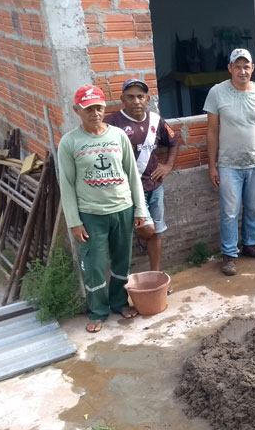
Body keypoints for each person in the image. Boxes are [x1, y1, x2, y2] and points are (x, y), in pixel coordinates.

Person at [57, 85, 148, 333]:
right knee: (94, 265)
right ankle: (98, 310)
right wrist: (74, 221)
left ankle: (119, 302)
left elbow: (132, 175)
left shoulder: (118, 136)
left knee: (122, 261)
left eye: (98, 107)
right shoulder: (70, 142)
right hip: (91, 215)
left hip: (123, 209)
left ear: (104, 107)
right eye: (88, 109)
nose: (95, 113)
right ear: (77, 110)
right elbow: (65, 184)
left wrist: (140, 210)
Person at [203, 48, 255, 276]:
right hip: (228, 164)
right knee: (229, 211)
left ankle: (251, 245)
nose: (242, 71)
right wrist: (212, 165)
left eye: (247, 66)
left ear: (252, 68)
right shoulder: (217, 93)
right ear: (230, 68)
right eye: (238, 66)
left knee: (254, 208)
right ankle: (229, 255)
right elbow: (212, 131)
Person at [104, 79, 178, 285]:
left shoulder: (156, 120)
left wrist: (168, 166)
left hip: (154, 186)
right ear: (122, 100)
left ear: (147, 99)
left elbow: (173, 141)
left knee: (157, 232)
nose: (136, 101)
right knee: (148, 229)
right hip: (128, 191)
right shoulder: (112, 123)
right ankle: (140, 237)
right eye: (131, 97)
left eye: (140, 96)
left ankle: (156, 277)